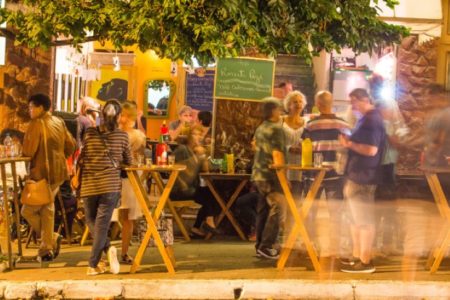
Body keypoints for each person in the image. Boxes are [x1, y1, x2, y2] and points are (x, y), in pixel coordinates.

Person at [79, 99, 132, 275]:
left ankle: (99, 259)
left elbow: (84, 155)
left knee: (91, 221)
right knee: (101, 225)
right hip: (110, 185)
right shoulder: (123, 136)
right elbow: (129, 162)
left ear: (102, 115)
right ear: (118, 117)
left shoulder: (90, 133)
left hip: (89, 184)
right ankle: (96, 261)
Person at [21, 94, 76, 262]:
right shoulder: (59, 122)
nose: (29, 111)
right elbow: (71, 145)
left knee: (27, 210)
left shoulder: (36, 124)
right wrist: (60, 157)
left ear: (40, 108)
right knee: (47, 209)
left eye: (31, 107)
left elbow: (28, 151)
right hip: (59, 174)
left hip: (42, 175)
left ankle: (50, 240)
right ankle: (46, 249)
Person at [339, 88, 386, 274]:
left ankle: (365, 262)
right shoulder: (366, 120)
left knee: (364, 220)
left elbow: (371, 150)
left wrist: (349, 144)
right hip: (356, 176)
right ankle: (357, 257)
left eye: (354, 102)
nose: (352, 106)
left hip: (363, 177)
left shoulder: (371, 120)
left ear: (363, 99)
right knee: (355, 219)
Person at [304, 90, 351, 260]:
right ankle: (334, 250)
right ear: (331, 104)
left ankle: (312, 249)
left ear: (317, 104)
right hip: (335, 174)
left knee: (311, 213)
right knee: (336, 214)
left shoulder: (310, 125)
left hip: (314, 174)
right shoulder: (343, 125)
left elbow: (304, 146)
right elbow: (348, 149)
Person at [170, 125, 219, 238]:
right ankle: (207, 223)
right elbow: (180, 169)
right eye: (195, 134)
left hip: (191, 187)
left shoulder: (195, 151)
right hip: (179, 189)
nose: (198, 137)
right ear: (188, 136)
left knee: (211, 194)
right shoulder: (182, 149)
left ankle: (199, 226)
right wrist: (199, 156)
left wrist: (204, 154)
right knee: (208, 194)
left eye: (200, 134)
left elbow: (206, 169)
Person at [252, 98, 286, 259]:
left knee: (263, 210)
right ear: (273, 111)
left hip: (258, 174)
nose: (281, 112)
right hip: (270, 175)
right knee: (278, 207)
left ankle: (259, 246)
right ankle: (266, 246)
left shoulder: (261, 128)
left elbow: (254, 146)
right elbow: (277, 155)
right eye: (279, 109)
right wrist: (284, 180)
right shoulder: (276, 129)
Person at [115, 101, 146, 264]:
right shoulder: (136, 136)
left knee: (124, 217)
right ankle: (122, 252)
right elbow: (140, 159)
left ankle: (122, 252)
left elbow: (138, 159)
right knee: (126, 217)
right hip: (128, 178)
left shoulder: (130, 135)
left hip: (124, 178)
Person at [282, 91, 306, 194]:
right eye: (295, 102)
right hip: (284, 166)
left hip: (302, 167)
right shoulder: (280, 121)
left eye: (300, 102)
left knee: (297, 201)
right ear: (288, 105)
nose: (298, 104)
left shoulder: (307, 122)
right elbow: (274, 143)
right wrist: (289, 148)